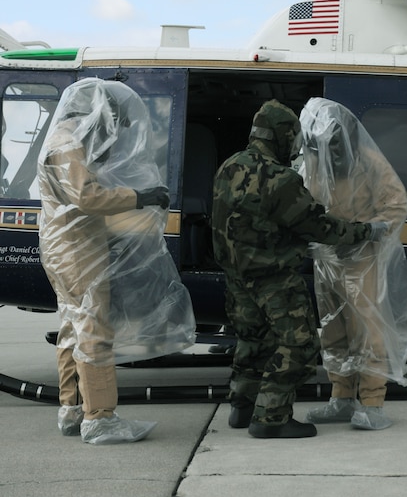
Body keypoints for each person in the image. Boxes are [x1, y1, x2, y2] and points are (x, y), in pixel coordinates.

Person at [38, 78, 196, 445]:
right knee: (94, 330)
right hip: (76, 250)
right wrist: (140, 197)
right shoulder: (68, 142)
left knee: (73, 328)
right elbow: (86, 196)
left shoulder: (64, 139)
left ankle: (73, 408)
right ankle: (101, 418)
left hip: (69, 247)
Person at [212, 98, 379, 439]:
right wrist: (367, 231)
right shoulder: (280, 179)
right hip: (273, 280)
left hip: (236, 279)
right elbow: (320, 227)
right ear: (282, 136)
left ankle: (242, 408)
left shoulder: (229, 166)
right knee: (299, 346)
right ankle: (271, 417)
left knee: (252, 341)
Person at [300, 97, 407, 430]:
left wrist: (366, 235)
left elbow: (396, 207)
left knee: (369, 332)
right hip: (327, 262)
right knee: (333, 332)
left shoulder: (369, 163)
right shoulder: (312, 162)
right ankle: (341, 398)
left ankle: (373, 403)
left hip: (361, 261)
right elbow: (303, 204)